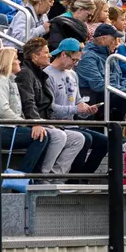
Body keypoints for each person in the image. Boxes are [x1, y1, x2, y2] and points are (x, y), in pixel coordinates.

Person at [14, 36, 87, 178]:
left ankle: (55, 177)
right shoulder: (26, 73)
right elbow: (28, 102)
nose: (50, 55)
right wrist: (36, 123)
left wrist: (53, 124)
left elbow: (47, 105)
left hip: (46, 121)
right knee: (59, 136)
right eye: (46, 52)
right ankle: (43, 176)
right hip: (34, 122)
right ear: (35, 56)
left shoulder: (40, 74)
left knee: (78, 138)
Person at [0, 48, 50, 176]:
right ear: (8, 63)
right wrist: (27, 124)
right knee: (40, 137)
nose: (19, 62)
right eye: (16, 59)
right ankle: (21, 177)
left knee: (42, 133)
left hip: (1, 128)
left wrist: (34, 123)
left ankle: (29, 176)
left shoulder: (10, 81)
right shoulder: (0, 80)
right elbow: (3, 110)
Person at [43, 37, 106, 173]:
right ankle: (74, 178)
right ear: (63, 54)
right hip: (56, 125)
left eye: (78, 60)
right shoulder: (47, 75)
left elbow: (77, 101)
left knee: (105, 141)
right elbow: (50, 108)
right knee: (85, 139)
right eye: (74, 60)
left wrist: (86, 110)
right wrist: (76, 109)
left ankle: (83, 177)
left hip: (72, 124)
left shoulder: (73, 74)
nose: (75, 64)